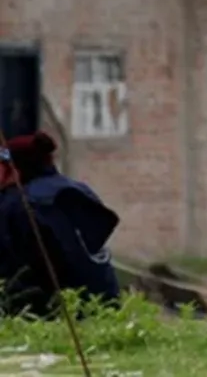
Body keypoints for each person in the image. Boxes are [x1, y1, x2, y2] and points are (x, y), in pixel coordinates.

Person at [0, 132, 121, 317]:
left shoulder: (19, 204)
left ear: (15, 171)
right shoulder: (77, 191)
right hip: (104, 308)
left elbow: (13, 272)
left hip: (49, 316)